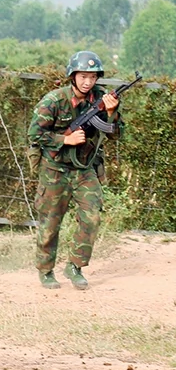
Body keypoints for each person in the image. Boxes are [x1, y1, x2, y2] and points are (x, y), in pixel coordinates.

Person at [28, 51, 121, 291]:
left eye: (92, 76)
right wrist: (64, 140)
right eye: (83, 76)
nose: (87, 81)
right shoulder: (53, 101)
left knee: (92, 216)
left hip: (84, 168)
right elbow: (34, 135)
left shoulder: (101, 98)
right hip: (54, 169)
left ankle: (75, 266)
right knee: (50, 222)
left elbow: (116, 134)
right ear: (73, 76)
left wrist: (111, 113)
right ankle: (46, 270)